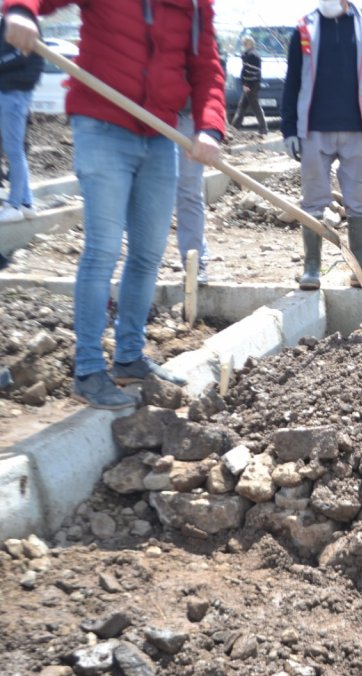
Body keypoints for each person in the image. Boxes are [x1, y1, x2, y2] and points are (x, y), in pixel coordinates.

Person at [3, 0, 225, 410]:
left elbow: (206, 67)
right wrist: (21, 10)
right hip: (103, 125)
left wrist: (210, 125)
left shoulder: (195, 4)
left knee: (148, 252)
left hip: (161, 134)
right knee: (103, 247)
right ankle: (88, 370)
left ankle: (129, 357)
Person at [281, 0, 362, 290]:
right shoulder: (305, 27)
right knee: (312, 202)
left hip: (359, 130)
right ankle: (311, 268)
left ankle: (361, 269)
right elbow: (292, 81)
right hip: (314, 130)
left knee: (360, 202)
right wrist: (289, 129)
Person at [0, 13, 42, 224]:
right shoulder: (10, 22)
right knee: (14, 148)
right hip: (12, 92)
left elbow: (19, 54)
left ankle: (14, 205)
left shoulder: (18, 23)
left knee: (14, 149)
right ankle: (26, 203)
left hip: (13, 93)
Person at [175, 109, 210, 284]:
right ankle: (143, 269)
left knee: (189, 192)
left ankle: (195, 265)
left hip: (186, 115)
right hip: (146, 114)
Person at [230, 36, 268, 136]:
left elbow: (250, 72)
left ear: (249, 43)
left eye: (245, 43)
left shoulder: (252, 56)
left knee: (255, 107)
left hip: (251, 85)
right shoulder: (251, 55)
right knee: (242, 106)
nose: (243, 45)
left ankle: (263, 128)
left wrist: (246, 84)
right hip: (252, 84)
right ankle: (234, 128)